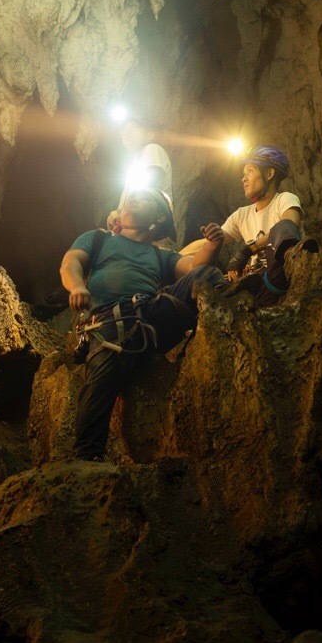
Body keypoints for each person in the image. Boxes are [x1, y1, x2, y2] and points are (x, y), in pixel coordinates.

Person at [60, 188, 226, 461]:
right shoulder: (99, 239)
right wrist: (77, 286)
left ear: (159, 218)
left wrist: (212, 244)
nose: (133, 199)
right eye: (131, 198)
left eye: (145, 198)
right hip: (109, 321)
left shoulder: (161, 256)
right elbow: (71, 262)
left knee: (208, 275)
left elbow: (195, 267)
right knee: (102, 375)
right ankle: (86, 457)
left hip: (150, 316)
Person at [220, 145, 315, 306]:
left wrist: (248, 250)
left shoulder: (285, 199)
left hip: (281, 276)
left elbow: (288, 224)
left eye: (250, 171)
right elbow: (210, 242)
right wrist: (176, 257)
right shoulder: (242, 214)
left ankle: (296, 264)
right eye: (243, 174)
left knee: (282, 227)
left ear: (269, 174)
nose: (243, 179)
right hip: (262, 287)